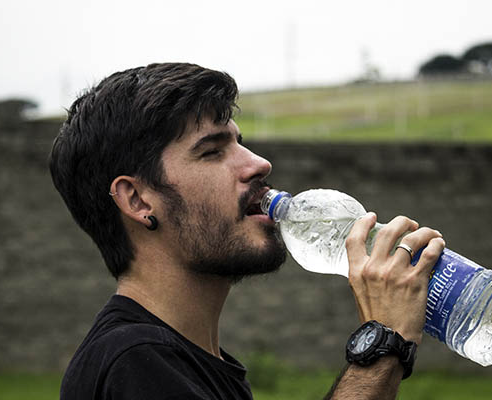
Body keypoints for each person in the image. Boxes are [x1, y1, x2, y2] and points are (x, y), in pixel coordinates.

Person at [49, 62, 445, 400]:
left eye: (241, 143)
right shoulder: (134, 362)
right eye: (212, 151)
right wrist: (382, 345)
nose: (259, 164)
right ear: (137, 200)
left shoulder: (193, 363)